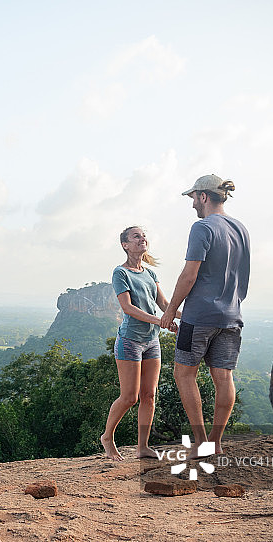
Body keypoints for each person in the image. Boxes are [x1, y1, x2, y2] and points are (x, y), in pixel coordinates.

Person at [160, 174, 250, 456]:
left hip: (199, 316)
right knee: (224, 378)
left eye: (193, 198)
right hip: (232, 315)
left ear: (203, 196)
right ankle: (216, 442)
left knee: (184, 374)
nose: (192, 205)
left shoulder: (202, 228)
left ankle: (200, 443)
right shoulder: (241, 228)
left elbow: (189, 275)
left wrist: (171, 310)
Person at [100, 226, 179, 461]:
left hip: (151, 341)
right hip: (130, 341)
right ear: (125, 245)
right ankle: (107, 437)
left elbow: (164, 304)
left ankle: (142, 447)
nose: (142, 238)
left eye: (143, 235)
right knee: (129, 397)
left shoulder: (150, 274)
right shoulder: (120, 273)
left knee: (149, 395)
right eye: (136, 236)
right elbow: (127, 308)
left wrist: (184, 316)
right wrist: (161, 321)